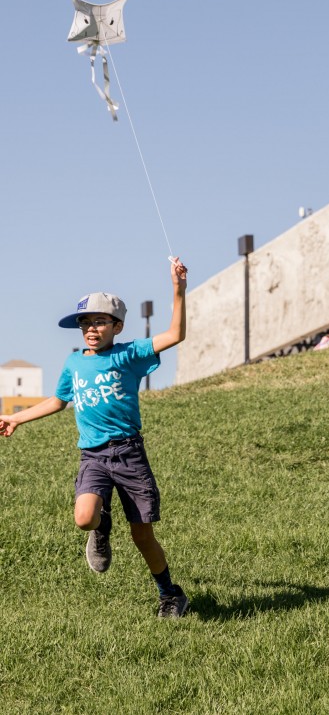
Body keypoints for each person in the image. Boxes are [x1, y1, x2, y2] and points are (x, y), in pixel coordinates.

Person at [0, 258, 190, 619]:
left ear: (117, 326)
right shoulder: (75, 364)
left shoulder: (130, 354)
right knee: (84, 518)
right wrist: (16, 418)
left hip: (129, 454)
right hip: (94, 456)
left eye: (99, 322)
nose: (90, 329)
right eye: (85, 323)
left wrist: (178, 289)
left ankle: (170, 594)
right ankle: (102, 527)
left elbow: (175, 334)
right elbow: (59, 400)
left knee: (142, 537)